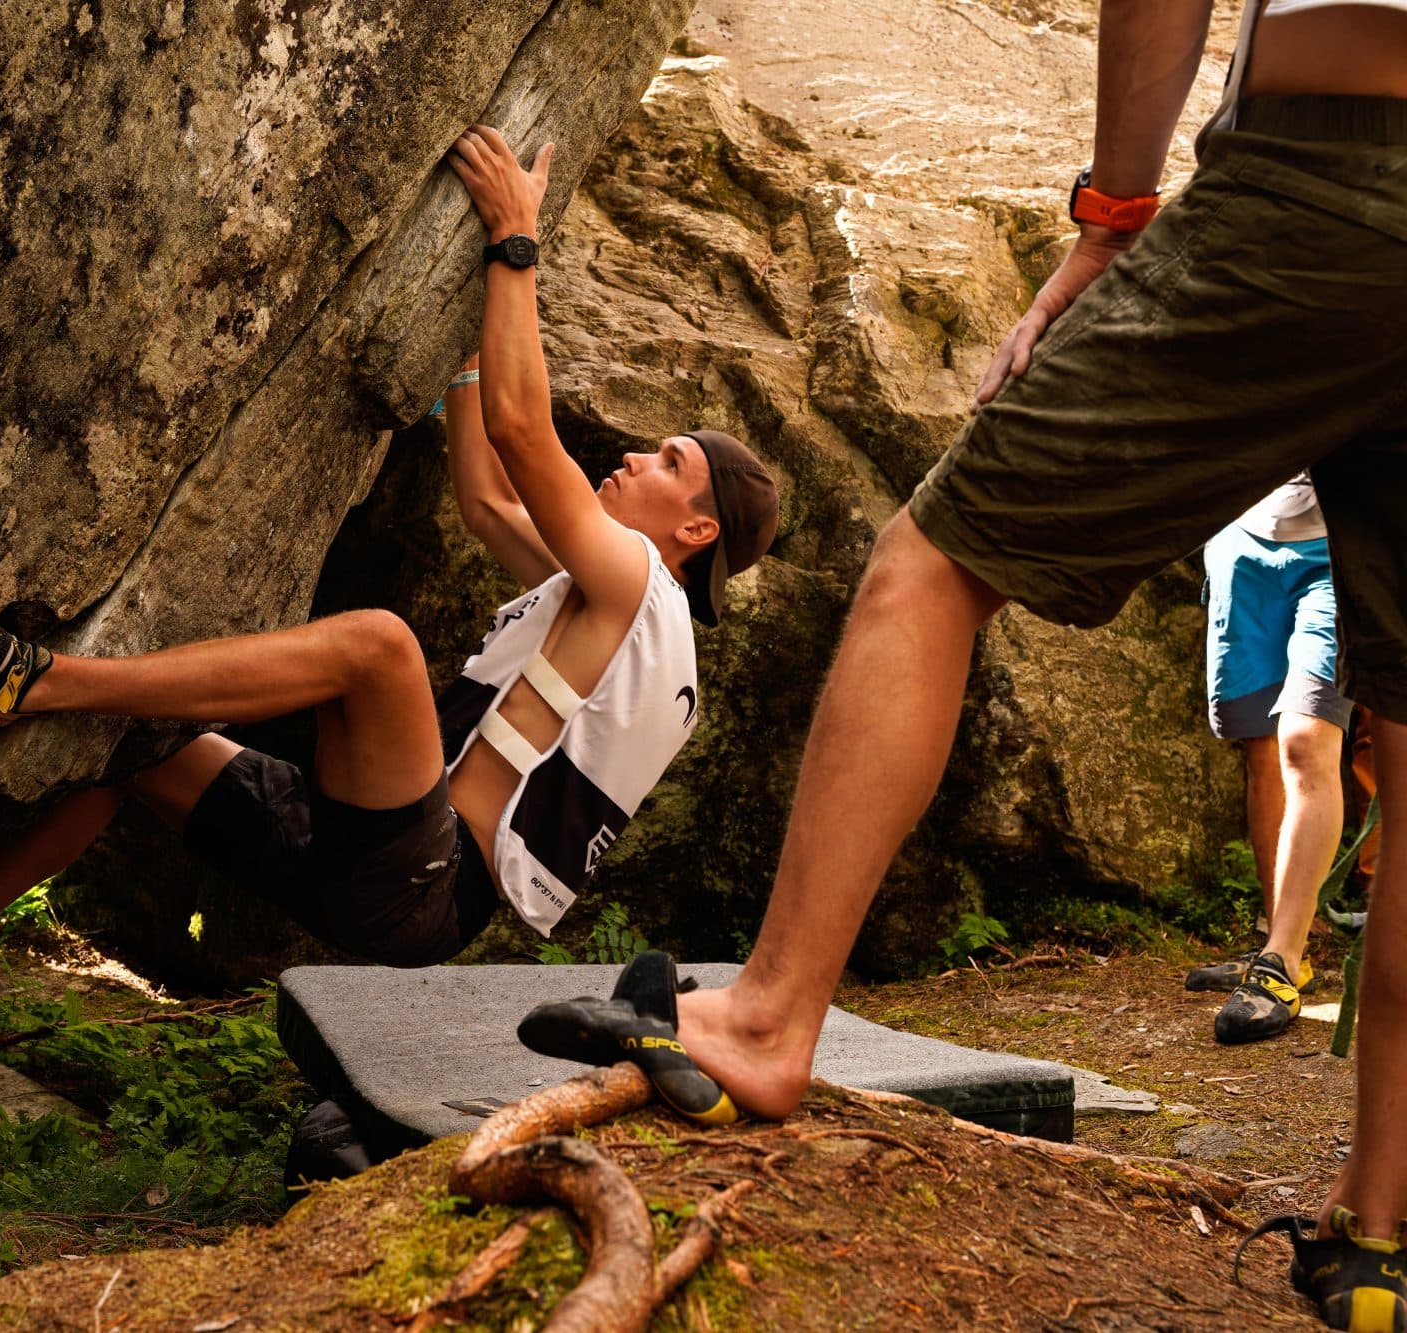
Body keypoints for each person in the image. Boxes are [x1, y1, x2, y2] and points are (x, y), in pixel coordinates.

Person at [532, 0, 1406, 1324]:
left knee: (930, 568)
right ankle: (1379, 1225)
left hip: (1330, 175)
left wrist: (1110, 218)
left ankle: (767, 1021)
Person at [0, 126, 778, 1038]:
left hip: (417, 877)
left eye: (665, 462)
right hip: (370, 856)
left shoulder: (636, 581)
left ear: (693, 528)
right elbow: (484, 500)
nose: (632, 458)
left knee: (380, 648)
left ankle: (28, 683)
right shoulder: (629, 621)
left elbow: (525, 440)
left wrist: (512, 245)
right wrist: (465, 345)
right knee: (133, 745)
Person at [1184, 473, 1350, 1045]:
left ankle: (1278, 961)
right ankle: (1283, 947)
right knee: (1262, 749)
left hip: (1345, 547)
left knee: (1305, 740)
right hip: (1243, 538)